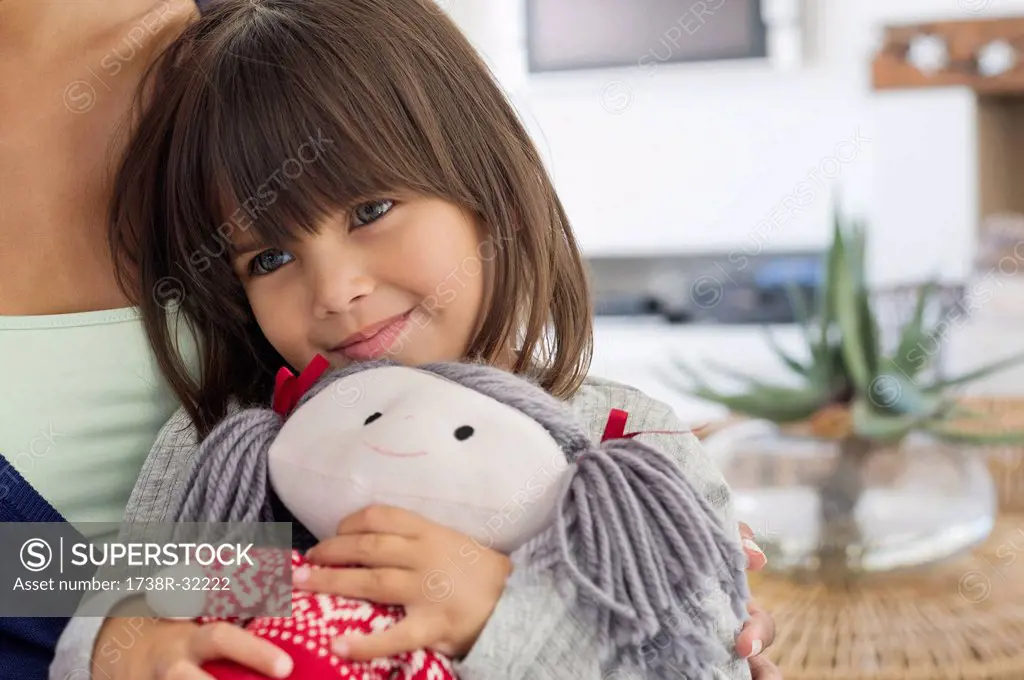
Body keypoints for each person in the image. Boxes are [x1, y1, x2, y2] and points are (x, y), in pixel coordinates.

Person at [0, 0, 776, 677]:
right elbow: (110, 597)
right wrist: (117, 643)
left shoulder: (625, 447)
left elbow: (698, 657)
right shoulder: (234, 454)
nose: (335, 293)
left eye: (371, 211)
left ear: (487, 180)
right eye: (270, 259)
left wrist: (497, 618)